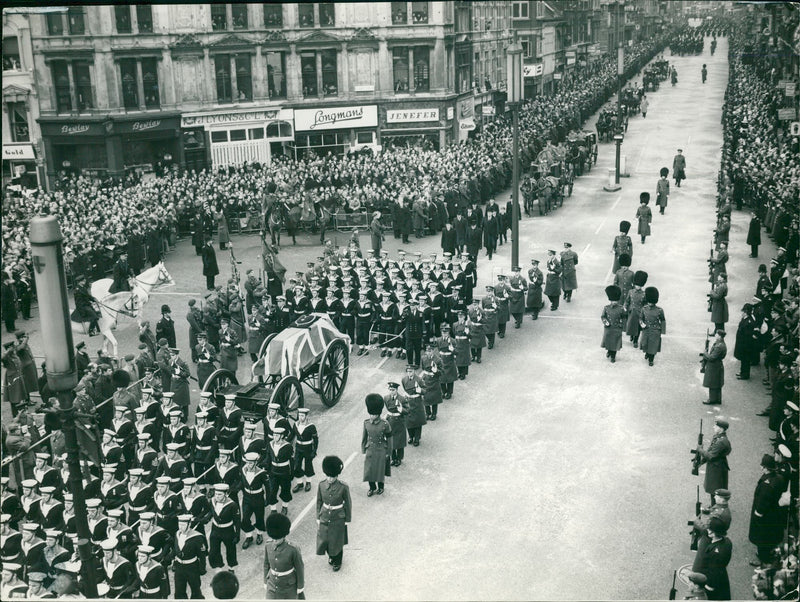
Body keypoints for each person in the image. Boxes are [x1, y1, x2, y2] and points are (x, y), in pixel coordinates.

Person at [748, 453, 788, 567]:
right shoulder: (778, 478)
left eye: (763, 466)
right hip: (773, 514)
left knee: (762, 538)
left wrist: (757, 514)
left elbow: (762, 503)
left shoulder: (767, 485)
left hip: (765, 516)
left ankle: (763, 560)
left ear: (765, 468)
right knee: (769, 536)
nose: (761, 467)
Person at [316, 455, 352, 572]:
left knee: (337, 541)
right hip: (325, 515)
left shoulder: (343, 487)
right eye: (328, 476)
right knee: (325, 540)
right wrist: (318, 516)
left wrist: (347, 519)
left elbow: (348, 503)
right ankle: (331, 556)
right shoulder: (321, 485)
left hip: (338, 517)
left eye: (333, 476)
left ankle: (337, 561)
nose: (330, 479)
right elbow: (319, 501)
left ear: (337, 475)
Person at [263, 513, 304, 599]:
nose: (274, 540)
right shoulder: (268, 545)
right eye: (273, 538)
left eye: (277, 539)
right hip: (272, 584)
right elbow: (266, 564)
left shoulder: (293, 549)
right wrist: (265, 581)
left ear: (283, 535)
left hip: (288, 587)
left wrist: (300, 586)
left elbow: (300, 568)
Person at [695, 516, 732, 601]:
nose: (708, 530)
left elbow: (714, 572)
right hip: (722, 575)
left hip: (713, 581)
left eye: (709, 529)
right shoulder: (727, 542)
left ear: (713, 533)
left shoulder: (715, 553)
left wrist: (709, 586)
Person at [696, 418, 731, 506]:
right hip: (715, 466)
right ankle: (714, 505)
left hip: (717, 469)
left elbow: (711, 456)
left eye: (716, 426)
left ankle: (715, 507)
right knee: (713, 490)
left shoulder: (721, 442)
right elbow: (710, 450)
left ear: (721, 429)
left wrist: (700, 450)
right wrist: (702, 461)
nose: (713, 427)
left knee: (716, 490)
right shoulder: (718, 437)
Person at [362, 393, 391, 496]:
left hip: (381, 449)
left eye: (374, 414)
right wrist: (363, 450)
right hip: (370, 449)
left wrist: (388, 452)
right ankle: (372, 488)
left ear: (378, 414)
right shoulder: (366, 423)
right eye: (371, 414)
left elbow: (389, 439)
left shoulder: (385, 424)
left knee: (379, 470)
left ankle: (381, 487)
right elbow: (364, 437)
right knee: (369, 471)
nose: (372, 416)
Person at [639, 286, 666, 366]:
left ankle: (651, 359)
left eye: (652, 302)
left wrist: (662, 331)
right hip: (646, 330)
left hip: (655, 331)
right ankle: (647, 353)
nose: (650, 303)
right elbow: (641, 318)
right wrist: (642, 324)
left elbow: (663, 320)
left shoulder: (659, 310)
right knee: (645, 344)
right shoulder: (644, 309)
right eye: (649, 302)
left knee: (653, 346)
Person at [733, 304, 759, 380]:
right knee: (743, 359)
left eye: (744, 311)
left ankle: (745, 374)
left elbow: (748, 335)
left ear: (746, 312)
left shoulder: (749, 322)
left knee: (746, 360)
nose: (742, 313)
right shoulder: (745, 319)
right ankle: (742, 372)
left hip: (746, 345)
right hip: (742, 343)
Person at [701, 330, 727, 405]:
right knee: (717, 383)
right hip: (717, 365)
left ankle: (712, 399)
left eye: (716, 334)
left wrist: (705, 353)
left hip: (714, 366)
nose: (715, 335)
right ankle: (718, 399)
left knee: (712, 383)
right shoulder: (720, 343)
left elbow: (712, 358)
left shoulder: (719, 346)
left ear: (719, 336)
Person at [601, 285, 625, 363]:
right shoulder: (606, 308)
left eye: (616, 301)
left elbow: (624, 317)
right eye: (613, 301)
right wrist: (605, 322)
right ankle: (609, 351)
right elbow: (603, 316)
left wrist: (622, 325)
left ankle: (613, 356)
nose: (614, 302)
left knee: (615, 343)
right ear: (610, 300)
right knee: (608, 342)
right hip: (608, 328)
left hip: (617, 328)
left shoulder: (621, 308)